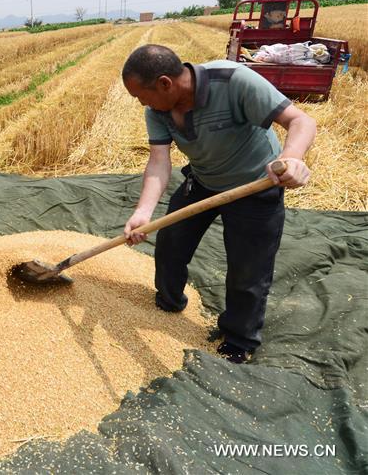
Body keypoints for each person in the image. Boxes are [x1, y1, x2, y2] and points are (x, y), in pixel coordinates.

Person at [121, 44, 316, 364]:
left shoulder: (235, 80)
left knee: (248, 270)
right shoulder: (157, 110)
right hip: (203, 181)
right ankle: (169, 301)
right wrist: (142, 213)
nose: (141, 102)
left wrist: (291, 157)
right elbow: (158, 161)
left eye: (141, 95)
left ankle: (240, 339)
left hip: (254, 186)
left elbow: (301, 121)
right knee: (170, 241)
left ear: (165, 84)